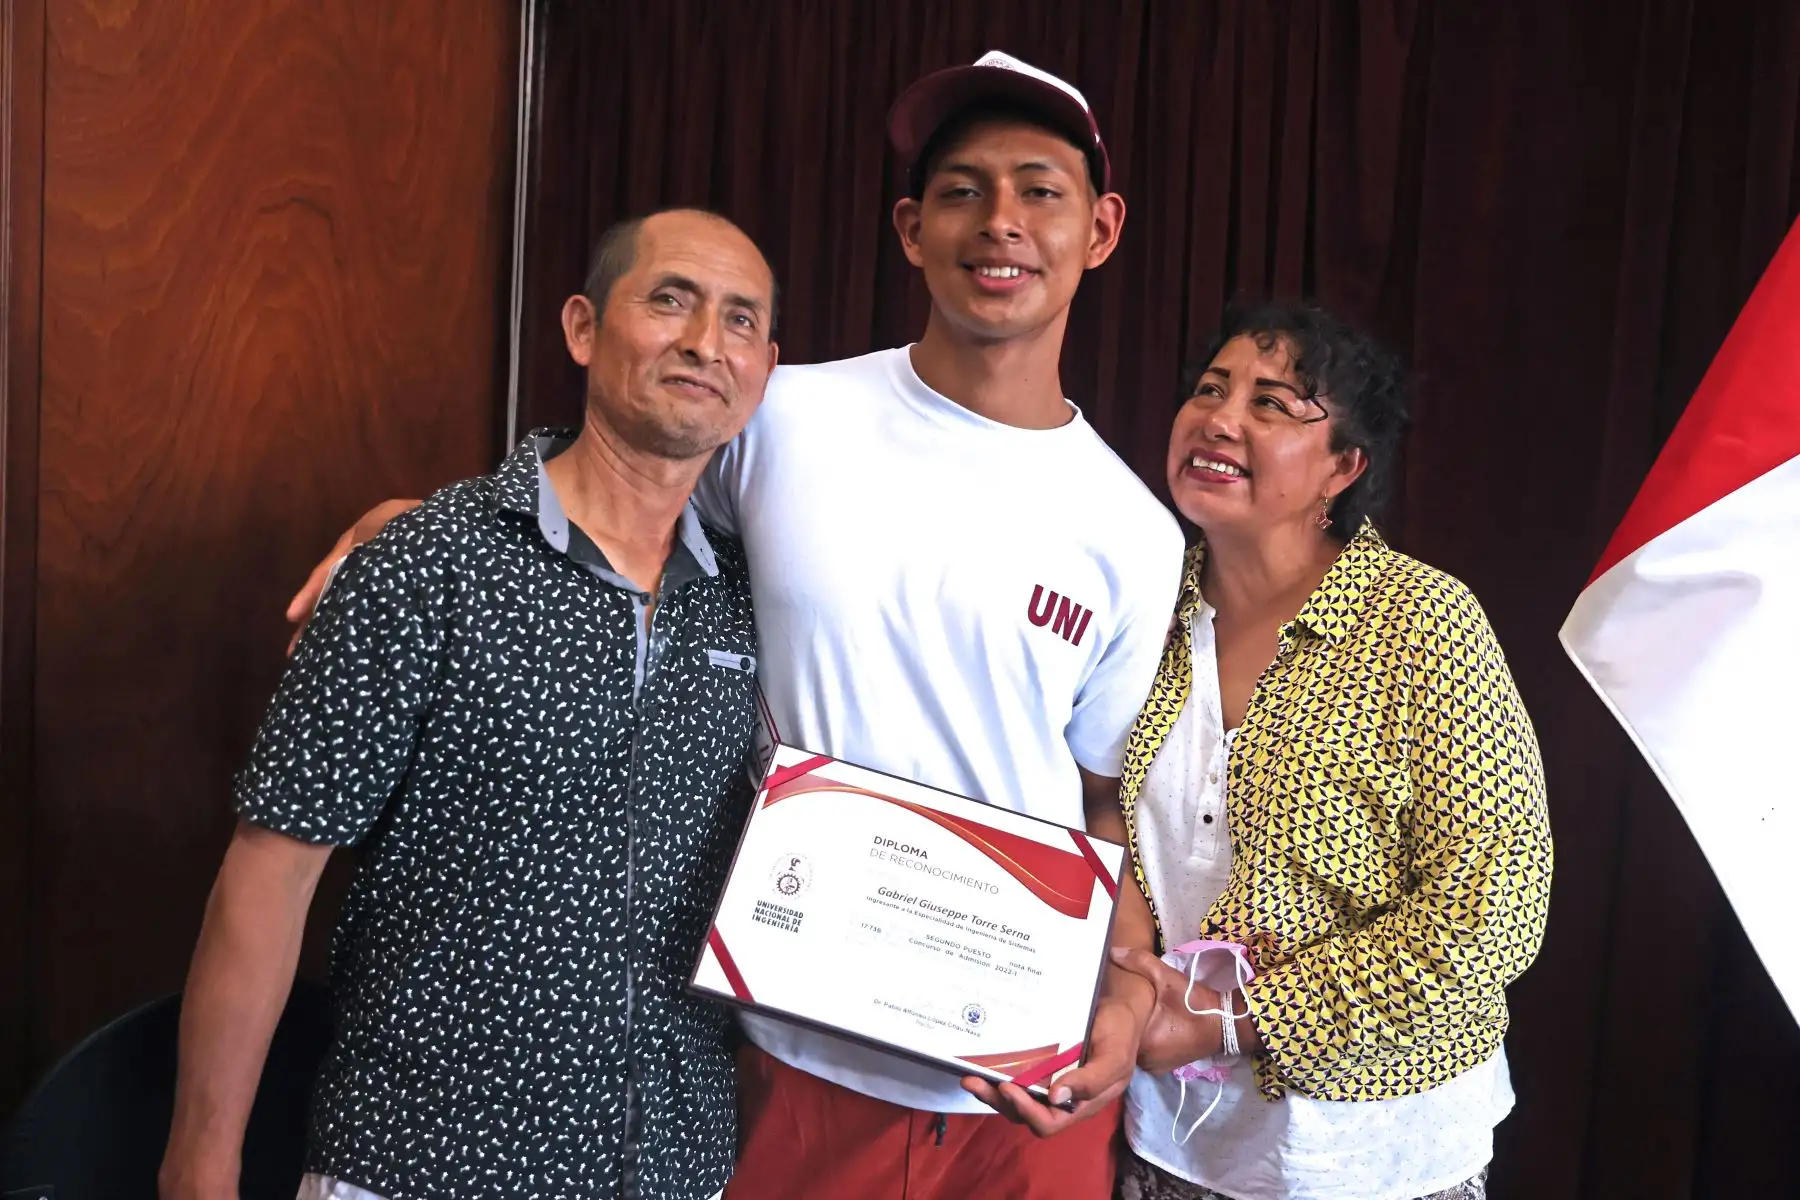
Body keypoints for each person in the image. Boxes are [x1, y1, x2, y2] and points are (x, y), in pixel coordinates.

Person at [284, 52, 1186, 1200]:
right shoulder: (781, 414)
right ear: (911, 228)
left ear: (1100, 228)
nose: (998, 222)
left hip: (1014, 1076)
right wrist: (413, 520)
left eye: (1039, 190)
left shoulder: (1134, 531)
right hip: (779, 1049)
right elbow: (599, 512)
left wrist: (1127, 977)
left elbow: (1104, 797)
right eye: (961, 191)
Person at [158, 208, 780, 1200]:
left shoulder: (752, 606)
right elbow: (271, 873)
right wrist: (199, 1164)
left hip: (672, 1168)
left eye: (741, 320)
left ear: (763, 371)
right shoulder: (425, 565)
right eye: (671, 300)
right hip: (417, 1160)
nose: (707, 341)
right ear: (582, 329)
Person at [1108, 300, 1553, 1200]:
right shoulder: (1142, 605)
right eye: (1209, 388)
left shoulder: (1424, 622)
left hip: (1368, 1152)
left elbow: (1490, 915)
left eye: (1272, 404)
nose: (1219, 419)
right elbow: (1102, 814)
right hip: (1169, 1138)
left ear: (1342, 468)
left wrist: (1229, 1021)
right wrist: (1128, 987)